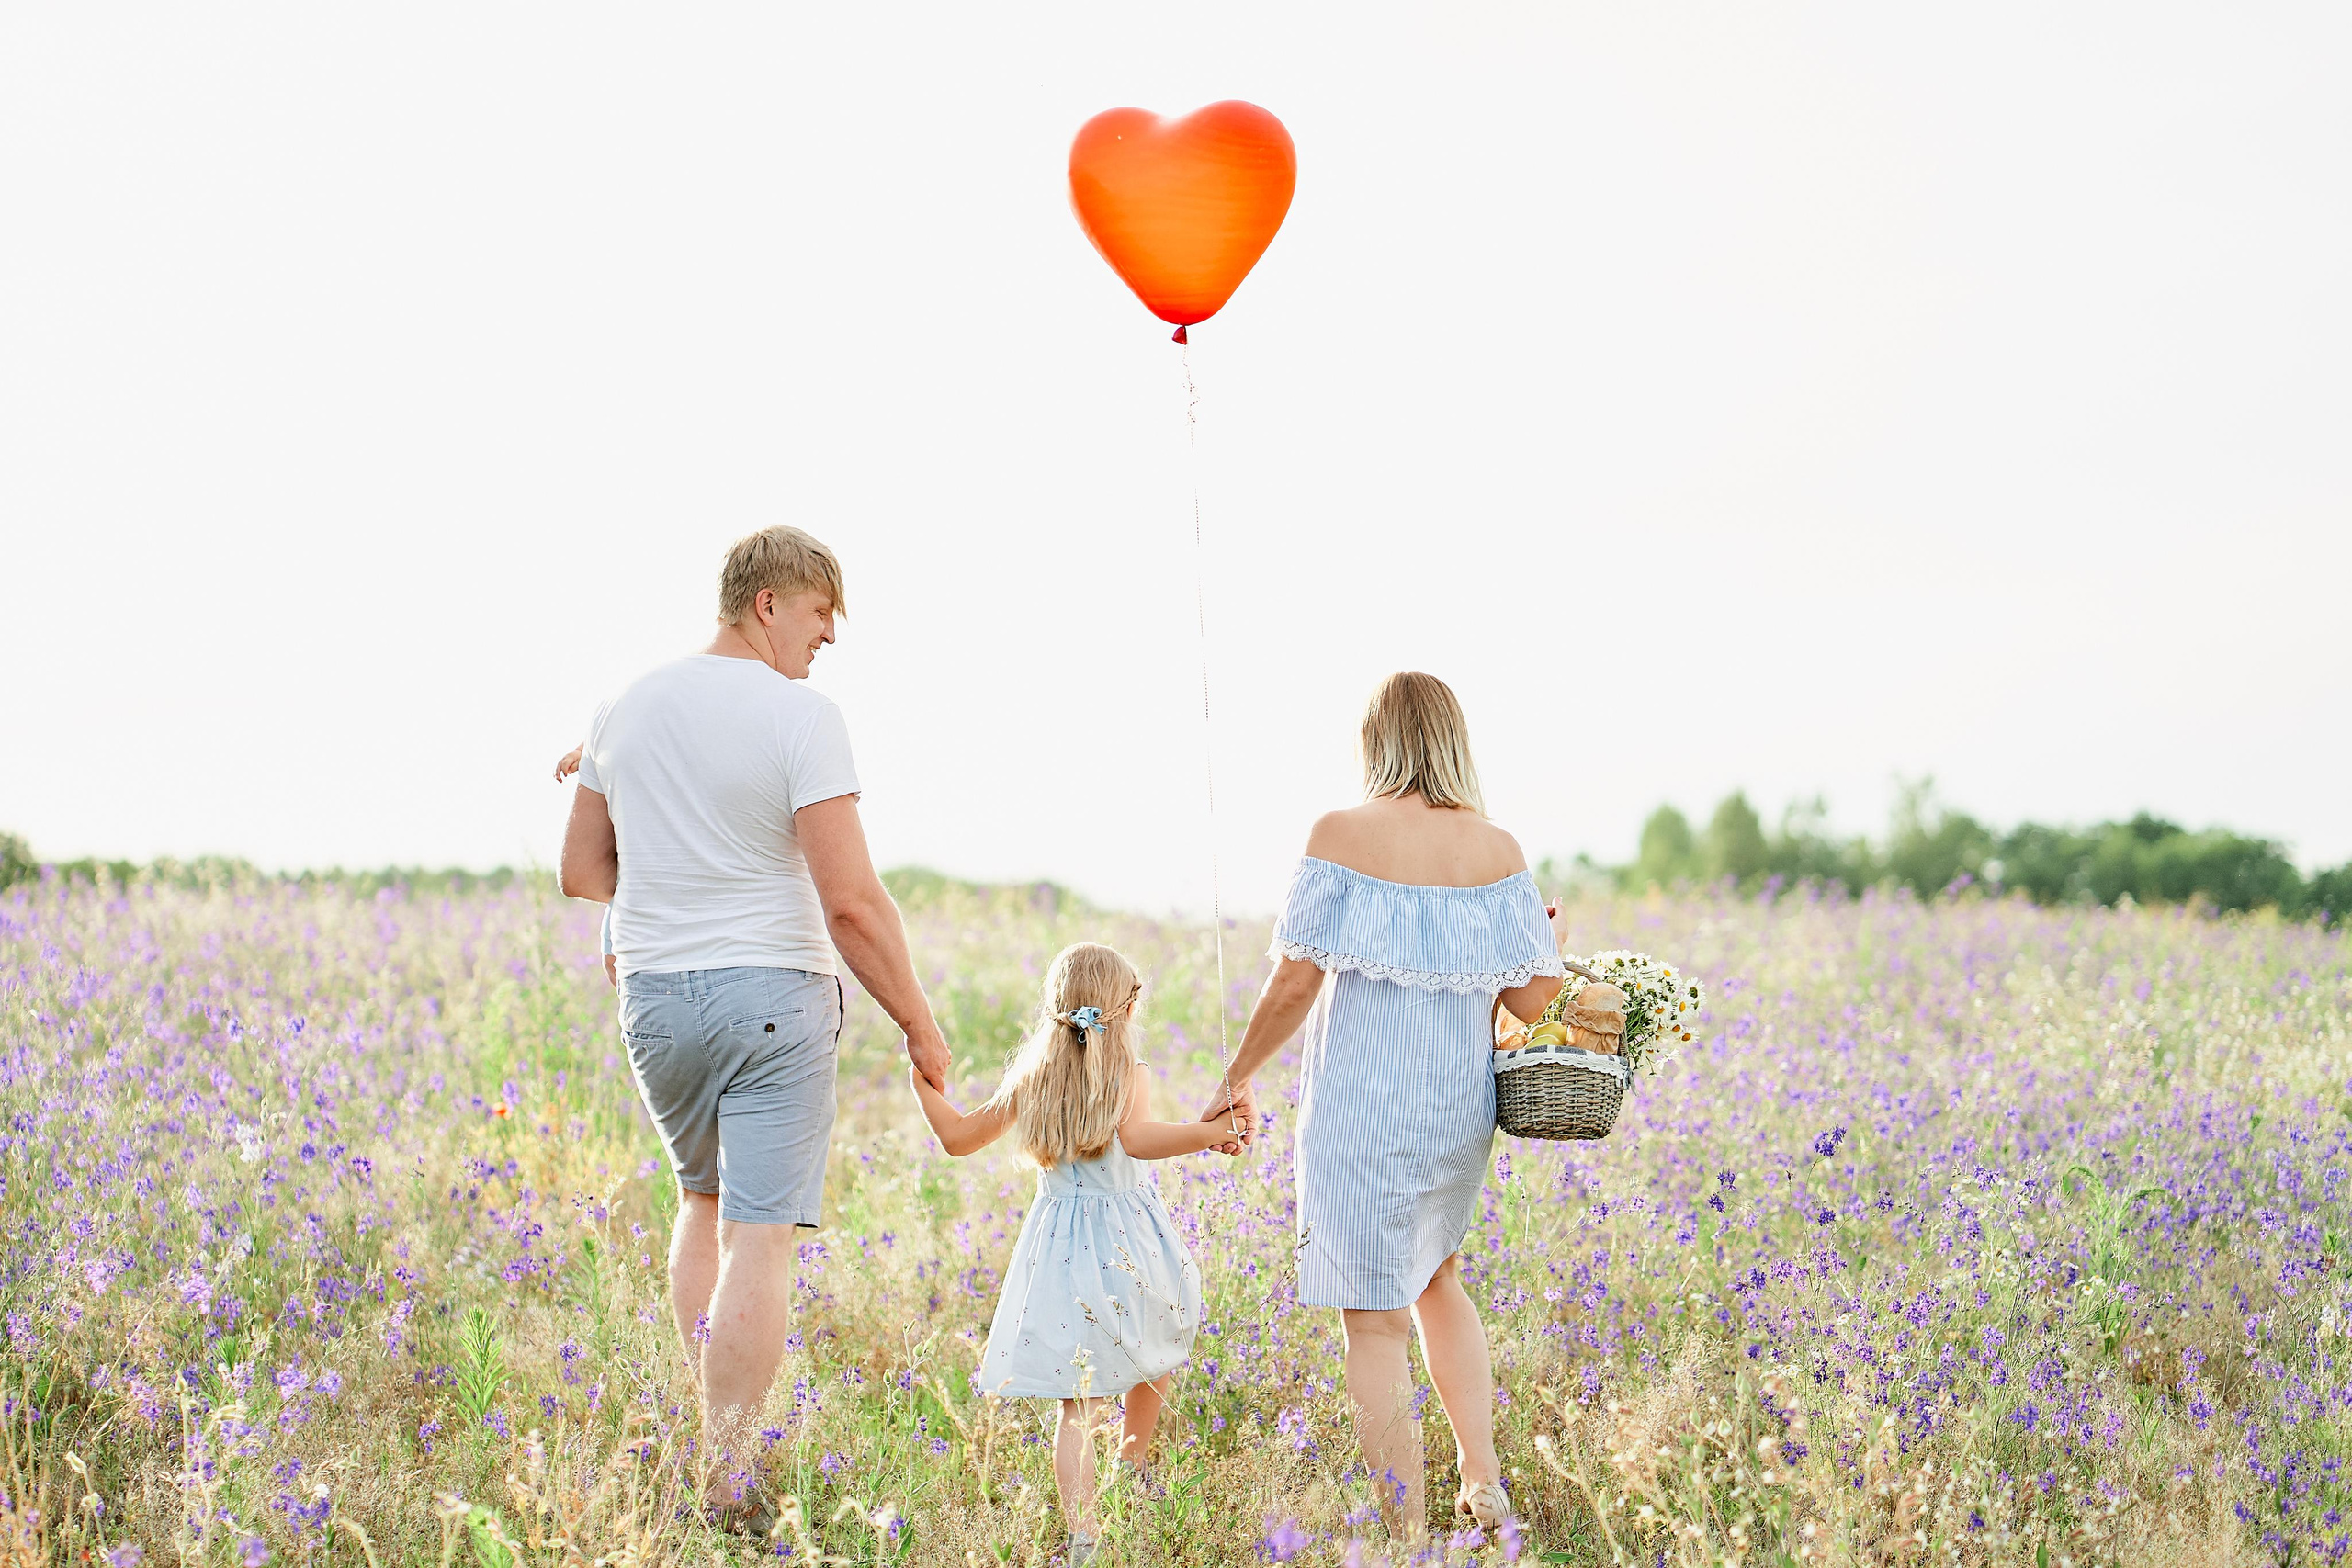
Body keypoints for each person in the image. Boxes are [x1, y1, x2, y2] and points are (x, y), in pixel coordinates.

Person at [556, 525, 952, 1526]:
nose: (830, 636)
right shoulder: (801, 716)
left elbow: (582, 872)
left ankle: (701, 1439)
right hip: (772, 995)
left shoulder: (620, 706)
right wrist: (918, 1022)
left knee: (701, 1203)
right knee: (761, 1235)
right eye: (821, 613)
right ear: (768, 603)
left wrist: (672, 872)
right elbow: (851, 902)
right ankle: (727, 1477)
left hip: (654, 997)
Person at [1200, 672, 1570, 1537]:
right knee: (1439, 1276)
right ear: (1452, 738)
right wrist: (1551, 940)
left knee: (1373, 1323)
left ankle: (1408, 1540)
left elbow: (1295, 984)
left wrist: (1236, 1074)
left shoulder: (1339, 833)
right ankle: (1482, 1480)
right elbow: (1534, 1000)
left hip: (1360, 1109)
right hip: (1455, 1110)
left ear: (1376, 740)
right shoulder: (1498, 848)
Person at [907, 942, 1235, 1564]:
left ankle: (1084, 1535)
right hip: (1131, 1242)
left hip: (1060, 1253)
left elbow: (956, 1137)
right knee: (1157, 1348)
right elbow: (1138, 1140)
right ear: (1126, 1008)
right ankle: (1131, 1468)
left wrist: (920, 1082)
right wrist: (1210, 1133)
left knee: (1079, 1403)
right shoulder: (1129, 1072)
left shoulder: (1032, 1077)